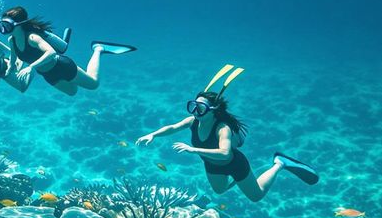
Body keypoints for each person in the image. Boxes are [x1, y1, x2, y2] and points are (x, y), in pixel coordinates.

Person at [135, 64, 319, 201]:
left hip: (234, 164)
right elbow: (173, 127)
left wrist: (193, 150)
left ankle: (280, 164)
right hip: (212, 164)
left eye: (200, 108)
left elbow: (225, 153)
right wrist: (153, 134)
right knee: (220, 190)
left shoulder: (223, 128)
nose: (195, 112)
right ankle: (240, 181)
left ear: (213, 110)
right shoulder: (194, 121)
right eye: (193, 106)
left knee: (256, 196)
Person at [0, 6, 134, 95]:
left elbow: (51, 52)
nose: (4, 30)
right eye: (2, 26)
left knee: (93, 84)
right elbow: (14, 59)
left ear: (19, 25)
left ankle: (98, 49)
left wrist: (31, 67)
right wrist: (9, 69)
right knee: (72, 92)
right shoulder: (12, 41)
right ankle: (66, 43)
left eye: (6, 26)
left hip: (62, 66)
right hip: (48, 75)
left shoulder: (32, 37)